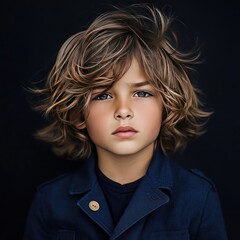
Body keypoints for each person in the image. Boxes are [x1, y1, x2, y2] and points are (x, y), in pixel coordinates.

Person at [24, 4, 228, 240]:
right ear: (78, 114)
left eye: (141, 93)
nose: (123, 110)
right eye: (103, 95)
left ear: (167, 106)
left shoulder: (197, 197)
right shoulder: (50, 201)